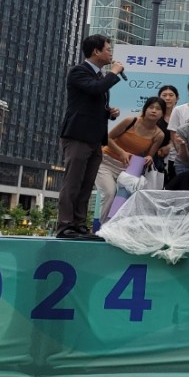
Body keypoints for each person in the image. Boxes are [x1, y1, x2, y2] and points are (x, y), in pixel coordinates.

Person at [57, 34, 125, 239]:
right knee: (73, 181)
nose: (111, 53)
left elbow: (92, 100)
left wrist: (109, 112)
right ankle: (65, 225)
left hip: (95, 138)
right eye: (108, 49)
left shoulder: (99, 77)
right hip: (78, 135)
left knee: (86, 184)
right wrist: (113, 72)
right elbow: (95, 90)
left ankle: (79, 224)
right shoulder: (79, 71)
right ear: (96, 51)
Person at [95, 95, 166, 221]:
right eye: (151, 107)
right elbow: (107, 138)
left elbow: (149, 154)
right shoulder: (130, 121)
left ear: (163, 114)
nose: (154, 111)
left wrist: (149, 158)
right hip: (106, 162)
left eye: (158, 109)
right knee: (110, 193)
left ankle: (113, 225)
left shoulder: (159, 135)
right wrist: (122, 152)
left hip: (128, 170)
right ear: (145, 109)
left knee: (123, 200)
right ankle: (102, 226)